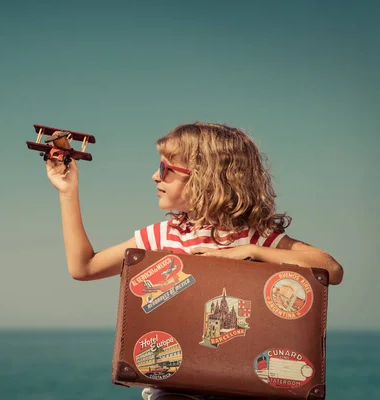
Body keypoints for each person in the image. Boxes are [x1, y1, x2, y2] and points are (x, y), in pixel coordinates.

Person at [45, 122, 344, 400]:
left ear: (206, 179)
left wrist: (255, 253)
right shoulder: (163, 236)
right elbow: (83, 267)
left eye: (165, 168)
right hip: (174, 388)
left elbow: (330, 268)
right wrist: (67, 191)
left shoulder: (257, 238)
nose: (154, 176)